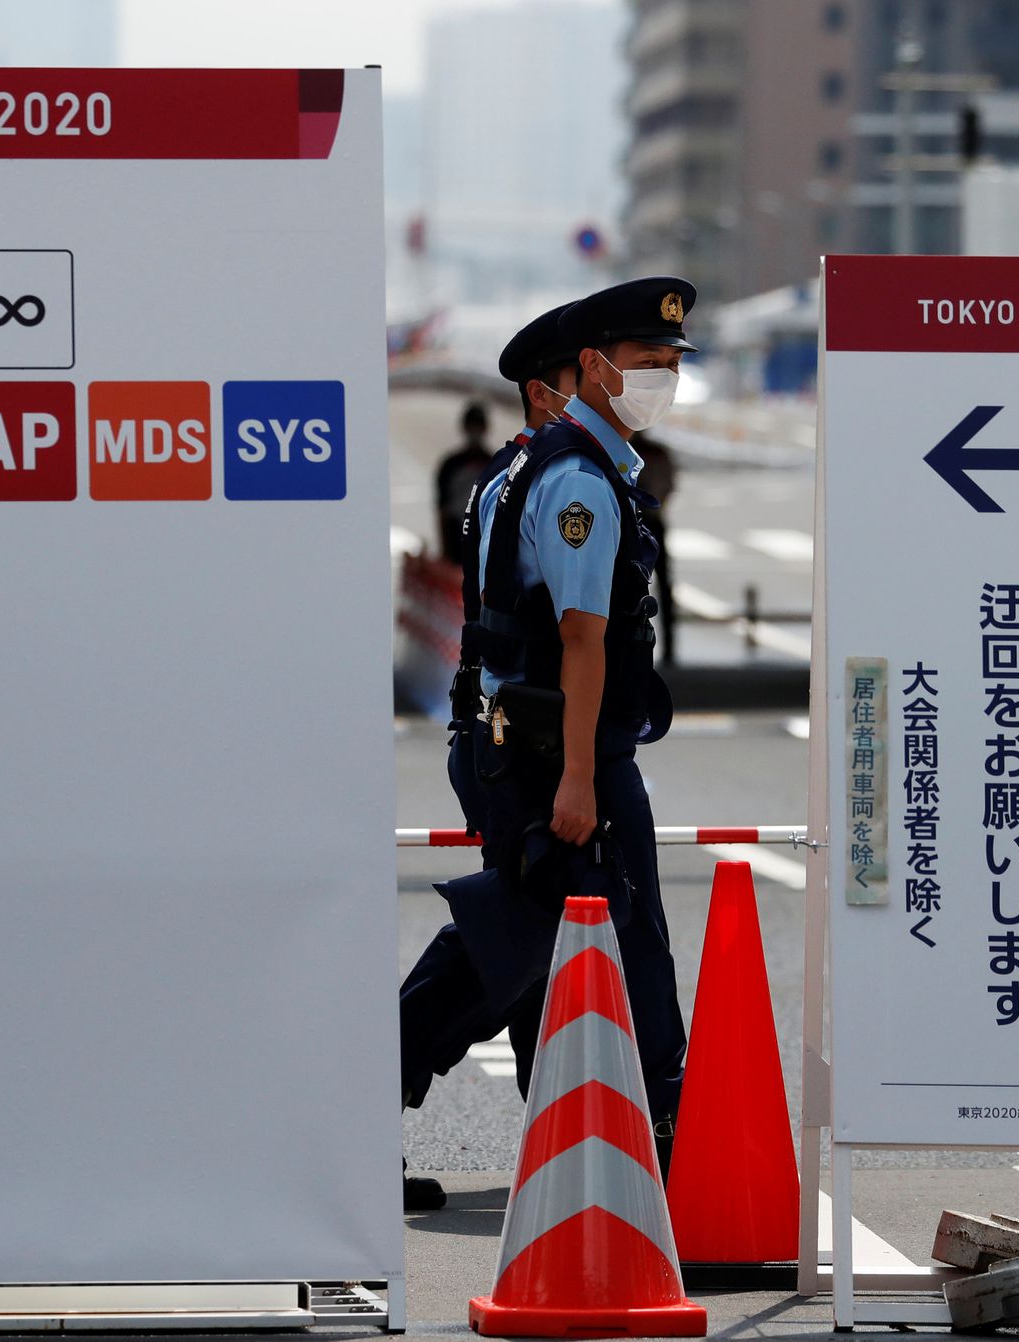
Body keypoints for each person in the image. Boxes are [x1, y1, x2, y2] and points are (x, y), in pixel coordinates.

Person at [401, 304, 579, 1212]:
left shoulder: (514, 477)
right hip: (535, 752)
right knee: (509, 940)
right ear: (554, 389)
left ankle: (569, 1145)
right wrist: (580, 772)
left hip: (510, 744)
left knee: (539, 952)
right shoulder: (554, 484)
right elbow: (569, 639)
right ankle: (370, 1088)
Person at [631, 431, 677, 664]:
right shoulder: (650, 452)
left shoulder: (651, 452)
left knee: (662, 585)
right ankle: (665, 646)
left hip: (649, 522)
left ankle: (668, 646)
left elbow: (668, 485)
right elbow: (669, 485)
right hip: (647, 521)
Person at [434, 401, 492, 568]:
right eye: (472, 426)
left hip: (484, 542)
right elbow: (443, 512)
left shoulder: (494, 463)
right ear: (465, 428)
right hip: (456, 542)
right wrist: (445, 554)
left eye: (478, 426)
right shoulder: (450, 465)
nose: (475, 431)